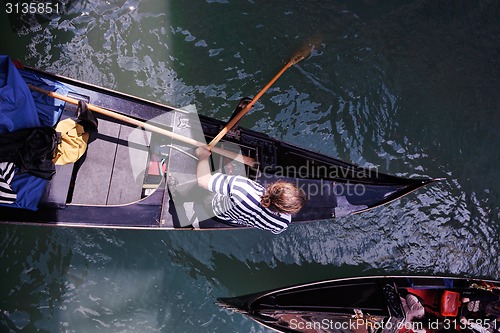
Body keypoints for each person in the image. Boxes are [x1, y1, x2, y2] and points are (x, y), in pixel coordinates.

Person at [196, 146, 306, 234]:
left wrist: (203, 155)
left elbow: (203, 181)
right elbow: (274, 228)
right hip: (232, 219)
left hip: (214, 206)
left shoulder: (244, 187)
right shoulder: (282, 224)